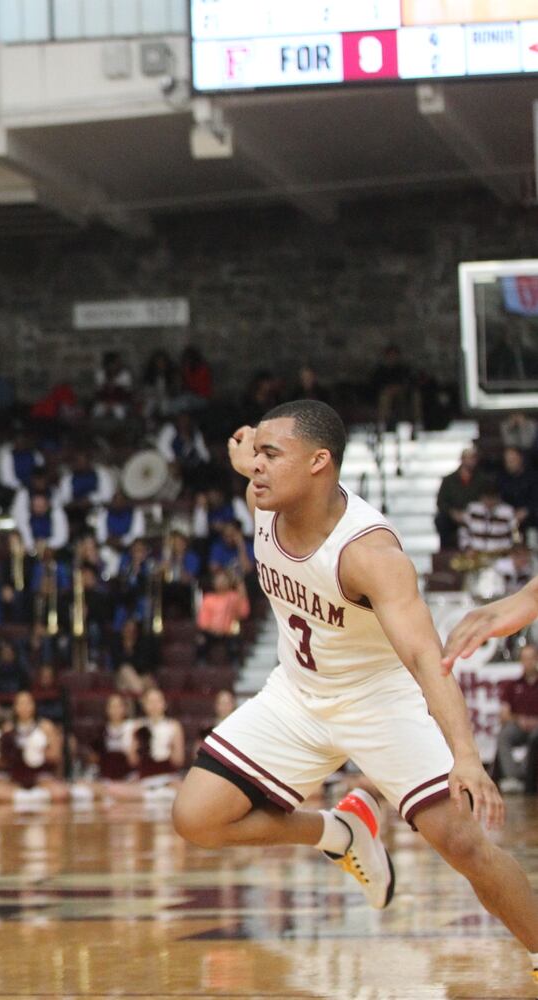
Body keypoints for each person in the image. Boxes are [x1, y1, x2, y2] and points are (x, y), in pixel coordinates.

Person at [173, 400, 538, 987]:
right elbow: (249, 458)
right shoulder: (264, 497)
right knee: (196, 818)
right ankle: (340, 832)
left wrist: (466, 756)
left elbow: (425, 658)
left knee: (464, 846)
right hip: (295, 694)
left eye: (273, 456)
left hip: (378, 701)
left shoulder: (369, 556)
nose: (257, 469)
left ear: (320, 464)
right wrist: (249, 449)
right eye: (257, 457)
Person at [495, 646, 538, 794]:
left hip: (537, 727)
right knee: (504, 735)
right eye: (524, 658)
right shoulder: (513, 685)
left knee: (535, 738)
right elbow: (504, 714)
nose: (528, 662)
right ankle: (513, 777)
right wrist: (519, 720)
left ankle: (527, 776)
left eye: (531, 658)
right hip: (518, 724)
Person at [436, 446, 489, 552]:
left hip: (475, 515)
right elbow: (441, 502)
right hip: (454, 515)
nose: (471, 461)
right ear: (462, 459)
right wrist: (453, 513)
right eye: (468, 458)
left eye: (473, 458)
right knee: (441, 520)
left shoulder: (482, 480)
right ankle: (446, 551)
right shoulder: (449, 480)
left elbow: (485, 498)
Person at [460, 485, 519, 554]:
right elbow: (463, 532)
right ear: (481, 498)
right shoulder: (472, 509)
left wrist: (510, 549)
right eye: (486, 498)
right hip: (475, 554)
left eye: (492, 498)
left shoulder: (507, 511)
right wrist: (467, 547)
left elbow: (515, 534)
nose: (489, 502)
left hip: (500, 554)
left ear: (498, 498)